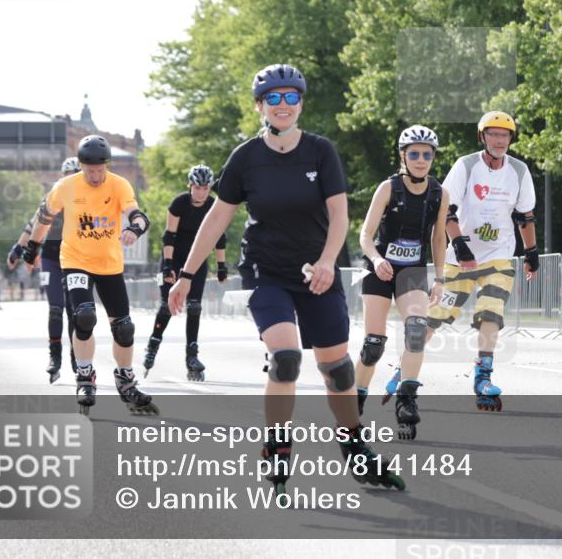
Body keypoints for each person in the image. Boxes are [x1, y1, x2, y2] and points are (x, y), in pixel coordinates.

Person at [169, 63, 404, 492]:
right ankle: (277, 445)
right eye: (273, 98)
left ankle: (352, 444)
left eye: (290, 97)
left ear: (301, 103)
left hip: (319, 270)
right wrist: (185, 274)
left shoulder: (320, 151)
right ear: (260, 105)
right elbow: (217, 218)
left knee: (338, 371)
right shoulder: (245, 158)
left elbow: (339, 215)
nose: (282, 105)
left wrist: (330, 262)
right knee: (286, 359)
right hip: (267, 271)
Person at [387, 111, 538, 412]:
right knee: (436, 317)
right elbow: (447, 210)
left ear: (511, 138)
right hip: (461, 260)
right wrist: (459, 244)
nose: (499, 140)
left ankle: (483, 377)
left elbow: (525, 216)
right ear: (482, 137)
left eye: (504, 135)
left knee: (491, 313)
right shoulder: (466, 166)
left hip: (499, 254)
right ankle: (404, 369)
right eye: (493, 134)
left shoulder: (519, 171)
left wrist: (531, 252)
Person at [23, 135, 155, 413]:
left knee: (124, 327)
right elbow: (43, 217)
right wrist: (32, 247)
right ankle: (85, 376)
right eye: (89, 170)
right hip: (75, 260)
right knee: (84, 315)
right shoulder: (66, 187)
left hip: (109, 263)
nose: (95, 176)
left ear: (107, 165)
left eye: (100, 170)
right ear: (81, 166)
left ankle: (126, 380)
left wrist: (134, 229)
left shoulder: (119, 185)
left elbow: (137, 214)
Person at [353, 125, 448, 439]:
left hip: (413, 272)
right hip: (381, 269)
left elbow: (438, 239)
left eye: (427, 154)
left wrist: (441, 278)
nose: (421, 160)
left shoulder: (439, 192)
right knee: (374, 344)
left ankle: (407, 400)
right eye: (415, 154)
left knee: (417, 330)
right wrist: (378, 259)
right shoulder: (388, 188)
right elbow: (365, 235)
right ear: (403, 156)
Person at [144, 164, 228, 381]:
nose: (201, 192)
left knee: (194, 307)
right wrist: (167, 266)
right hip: (174, 258)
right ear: (190, 186)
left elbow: (219, 237)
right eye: (198, 188)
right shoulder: (179, 203)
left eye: (206, 188)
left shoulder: (213, 205)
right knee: (167, 306)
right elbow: (169, 236)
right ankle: (153, 343)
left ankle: (192, 356)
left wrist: (221, 266)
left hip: (197, 261)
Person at [9, 156, 81, 383]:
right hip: (51, 258)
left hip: (77, 259)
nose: (71, 179)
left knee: (75, 312)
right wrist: (18, 249)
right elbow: (33, 224)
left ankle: (76, 356)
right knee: (56, 309)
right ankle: (55, 356)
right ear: (63, 177)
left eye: (76, 175)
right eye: (68, 175)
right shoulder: (52, 197)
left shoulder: (87, 199)